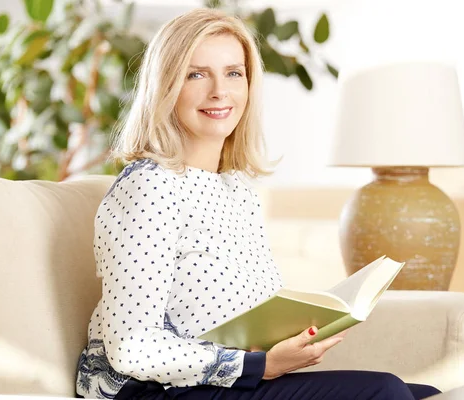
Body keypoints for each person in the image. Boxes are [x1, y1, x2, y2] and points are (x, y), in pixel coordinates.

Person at [75, 7, 442, 400]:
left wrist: (294, 337)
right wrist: (259, 366)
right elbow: (132, 346)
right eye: (196, 74)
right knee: (383, 391)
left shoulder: (237, 191)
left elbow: (246, 318)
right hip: (153, 390)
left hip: (233, 378)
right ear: (165, 86)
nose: (220, 91)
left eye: (234, 73)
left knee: (425, 393)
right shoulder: (148, 188)